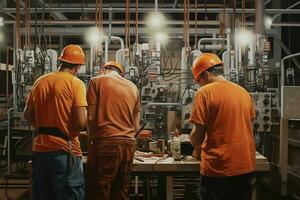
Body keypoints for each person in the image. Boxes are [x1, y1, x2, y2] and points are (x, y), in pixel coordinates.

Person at [24, 44, 87, 200]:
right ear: (78, 66)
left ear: (61, 61)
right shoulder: (76, 83)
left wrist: (41, 128)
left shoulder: (40, 81)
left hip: (40, 150)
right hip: (65, 151)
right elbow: (80, 121)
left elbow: (27, 114)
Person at [189, 53, 256, 200]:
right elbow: (247, 128)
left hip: (219, 168)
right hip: (246, 166)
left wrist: (195, 148)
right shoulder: (243, 92)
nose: (199, 85)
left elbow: (197, 136)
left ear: (205, 74)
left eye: (198, 81)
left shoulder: (204, 92)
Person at [86, 61, 140, 200]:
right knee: (121, 190)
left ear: (103, 70)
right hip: (128, 144)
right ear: (121, 73)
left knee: (100, 190)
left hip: (106, 142)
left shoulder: (96, 81)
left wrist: (90, 144)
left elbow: (91, 118)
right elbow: (136, 126)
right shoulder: (133, 87)